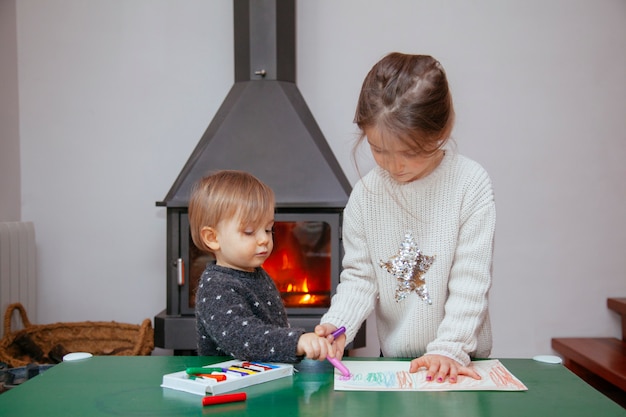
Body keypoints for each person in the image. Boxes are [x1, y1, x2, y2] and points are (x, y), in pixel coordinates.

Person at [316, 52, 496, 383]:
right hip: (398, 363)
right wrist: (338, 324)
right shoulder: (365, 196)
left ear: (442, 129)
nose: (394, 165)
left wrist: (449, 348)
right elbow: (360, 277)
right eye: (378, 150)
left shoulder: (470, 184)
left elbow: (471, 281)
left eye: (410, 153)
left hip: (460, 361)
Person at [189, 169, 334, 362]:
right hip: (231, 384)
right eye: (249, 231)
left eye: (268, 229)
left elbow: (271, 329)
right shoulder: (215, 286)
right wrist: (296, 342)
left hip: (262, 377)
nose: (264, 239)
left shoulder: (256, 273)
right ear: (213, 238)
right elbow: (243, 337)